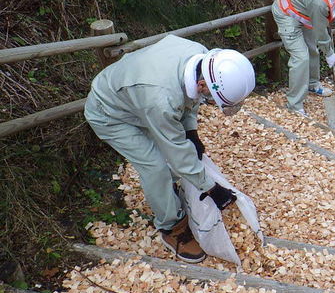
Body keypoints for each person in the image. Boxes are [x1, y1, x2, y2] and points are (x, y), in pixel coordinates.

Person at [84, 34, 256, 264]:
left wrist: (191, 131)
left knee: (176, 155)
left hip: (136, 96)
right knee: (155, 167)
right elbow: (176, 151)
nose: (211, 103)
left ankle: (169, 197)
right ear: (203, 84)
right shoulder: (161, 100)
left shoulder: (200, 55)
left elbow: (190, 99)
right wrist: (211, 188)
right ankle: (171, 227)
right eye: (212, 98)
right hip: (109, 113)